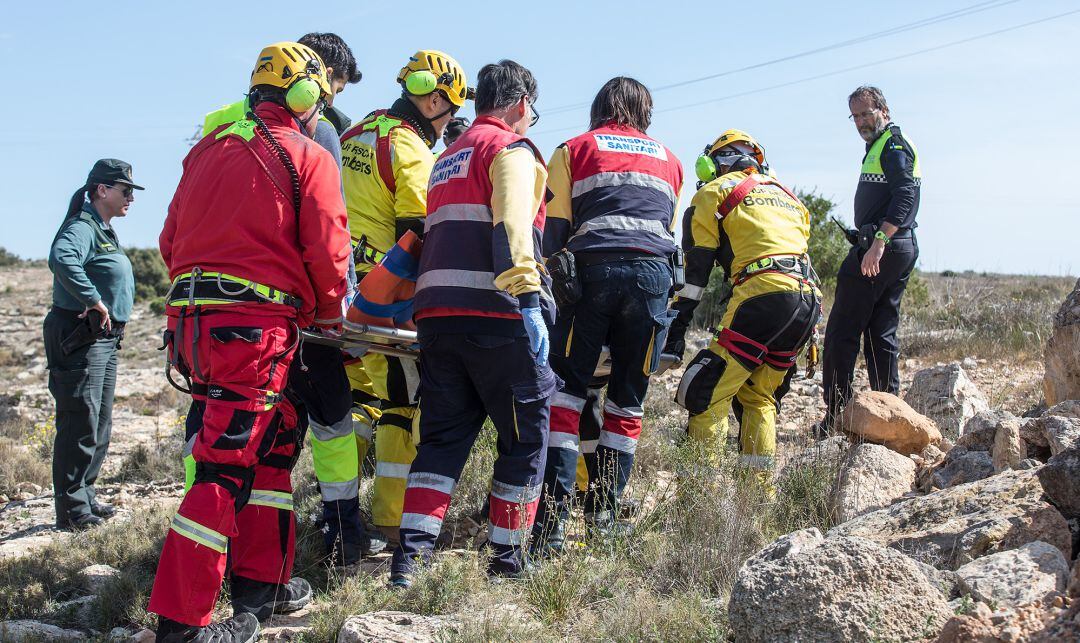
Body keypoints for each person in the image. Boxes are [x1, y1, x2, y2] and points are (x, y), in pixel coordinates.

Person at [150, 42, 350, 642]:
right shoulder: (307, 155)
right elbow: (330, 254)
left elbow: (169, 240)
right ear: (308, 96)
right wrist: (324, 312)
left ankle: (261, 592)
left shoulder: (206, 150)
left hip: (195, 326)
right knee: (224, 469)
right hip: (254, 331)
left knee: (274, 445)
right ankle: (182, 624)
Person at [196, 33, 384, 565]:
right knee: (328, 418)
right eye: (331, 87)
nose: (328, 100)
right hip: (289, 314)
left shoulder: (219, 123)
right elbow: (328, 233)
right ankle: (342, 532)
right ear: (313, 82)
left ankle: (221, 539)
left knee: (218, 431)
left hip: (211, 310)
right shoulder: (313, 129)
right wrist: (334, 314)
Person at [390, 59, 555, 586]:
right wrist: (528, 299)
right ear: (522, 104)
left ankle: (409, 564)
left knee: (439, 441)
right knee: (525, 437)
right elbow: (511, 224)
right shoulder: (509, 149)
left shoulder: (448, 156)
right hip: (495, 314)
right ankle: (506, 563)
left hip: (437, 317)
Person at [531, 77, 682, 554]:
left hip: (591, 276)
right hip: (653, 279)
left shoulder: (573, 149)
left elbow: (553, 234)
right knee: (627, 402)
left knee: (567, 397)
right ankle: (606, 519)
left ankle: (553, 523)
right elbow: (663, 226)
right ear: (645, 112)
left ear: (598, 108)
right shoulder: (670, 160)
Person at [339, 49, 470, 545]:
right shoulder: (411, 148)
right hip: (385, 297)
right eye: (452, 109)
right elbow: (417, 233)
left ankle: (336, 511)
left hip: (339, 291)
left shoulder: (356, 133)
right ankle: (392, 524)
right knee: (401, 407)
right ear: (436, 100)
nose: (451, 120)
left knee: (354, 402)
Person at [667, 130, 820, 486]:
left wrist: (674, 333)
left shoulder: (712, 193)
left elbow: (694, 276)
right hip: (807, 302)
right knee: (759, 395)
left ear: (712, 163)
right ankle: (756, 498)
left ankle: (698, 502)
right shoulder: (789, 197)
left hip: (761, 296)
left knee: (706, 390)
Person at [46, 159, 140, 531]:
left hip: (103, 338)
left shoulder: (103, 230)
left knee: (99, 421)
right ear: (102, 190)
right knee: (79, 420)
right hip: (79, 334)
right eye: (126, 190)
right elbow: (62, 259)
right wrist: (94, 300)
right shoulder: (82, 227)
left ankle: (85, 495)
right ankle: (70, 510)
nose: (131, 198)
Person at [820, 86, 921, 432]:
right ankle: (888, 416)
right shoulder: (884, 144)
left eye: (867, 113)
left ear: (884, 110)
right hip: (896, 247)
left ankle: (836, 416)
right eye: (856, 116)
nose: (862, 121)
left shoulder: (892, 145)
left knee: (840, 334)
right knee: (881, 334)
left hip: (881, 249)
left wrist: (879, 241)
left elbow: (906, 193)